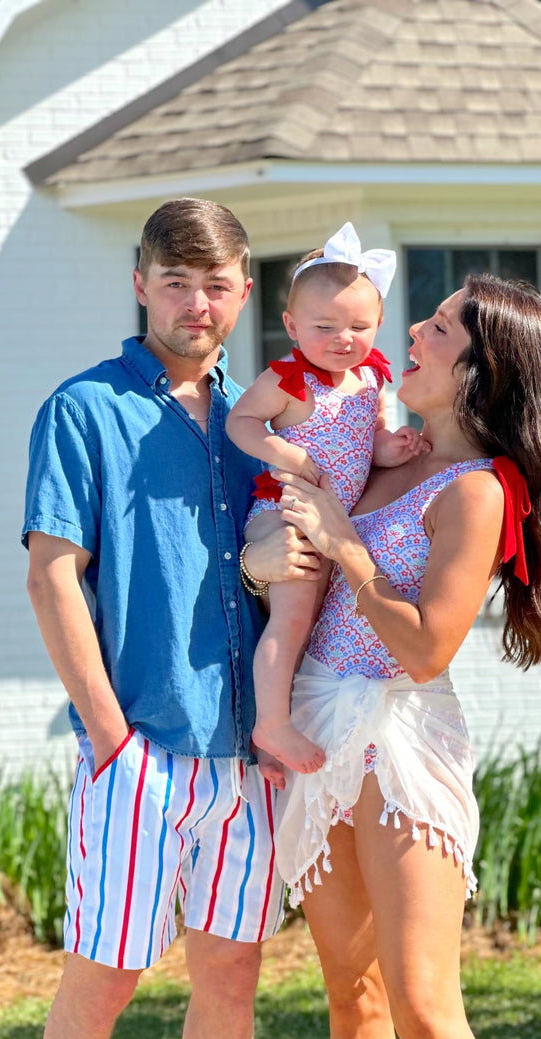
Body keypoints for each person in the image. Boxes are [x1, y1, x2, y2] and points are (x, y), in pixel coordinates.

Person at [22, 197, 317, 1039]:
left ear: (245, 292)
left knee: (231, 982)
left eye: (218, 283)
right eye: (177, 281)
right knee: (100, 985)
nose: (198, 302)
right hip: (139, 753)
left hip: (247, 761)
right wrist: (112, 740)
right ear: (143, 284)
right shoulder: (82, 409)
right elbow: (54, 576)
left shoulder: (263, 428)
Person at [272, 274, 541, 1039]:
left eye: (440, 326)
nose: (413, 328)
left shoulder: (479, 490)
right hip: (321, 723)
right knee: (351, 996)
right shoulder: (376, 456)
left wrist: (347, 545)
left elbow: (423, 647)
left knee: (421, 1002)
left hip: (405, 736)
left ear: (481, 369)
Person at [226, 221, 423, 777]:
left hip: (330, 521)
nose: (343, 338)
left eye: (359, 325)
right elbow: (241, 423)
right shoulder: (289, 380)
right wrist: (284, 455)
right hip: (282, 513)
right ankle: (272, 724)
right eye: (325, 325)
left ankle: (269, 743)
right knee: (288, 623)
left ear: (379, 323)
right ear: (291, 326)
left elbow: (370, 447)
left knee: (310, 628)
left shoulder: (369, 380)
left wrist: (395, 447)